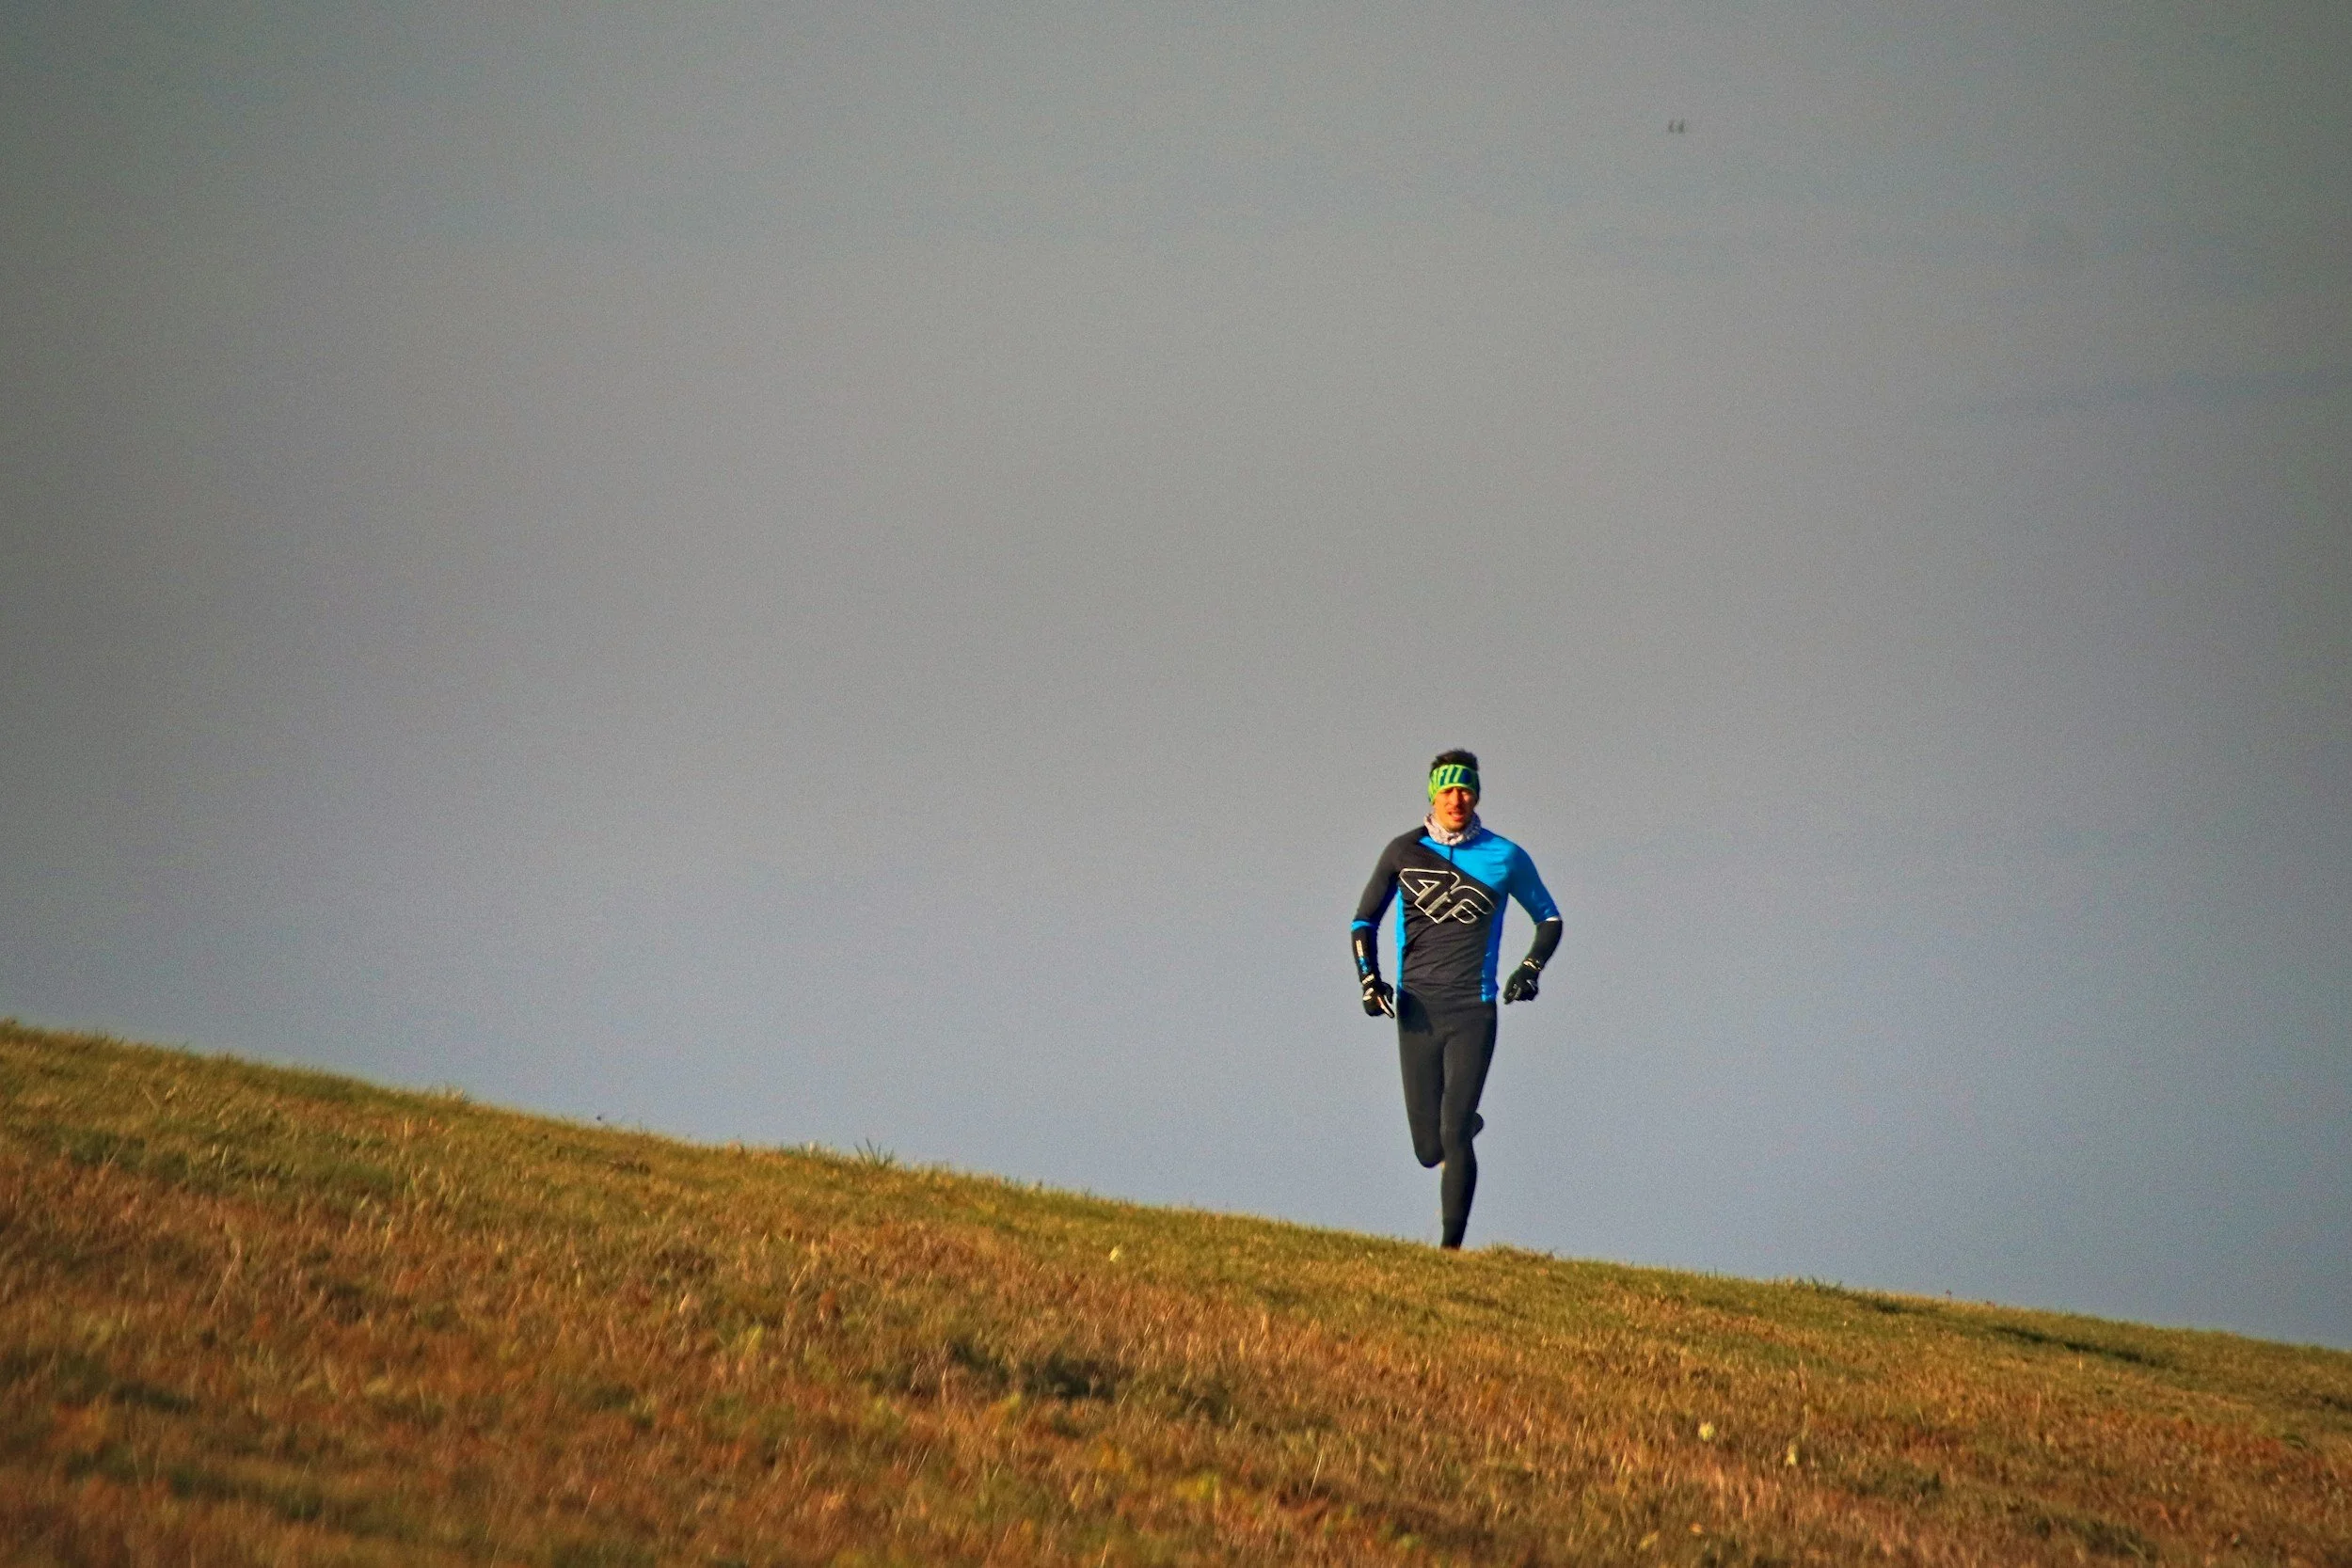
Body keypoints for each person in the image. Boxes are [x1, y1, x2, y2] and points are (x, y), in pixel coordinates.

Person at [1351, 751, 1562, 1249]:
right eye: (1447, 790)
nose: (1456, 799)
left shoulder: (1505, 856)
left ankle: (1450, 1251)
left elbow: (1549, 919)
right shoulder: (1403, 851)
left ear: (1477, 795)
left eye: (1465, 790)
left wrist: (1530, 968)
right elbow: (1363, 921)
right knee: (1429, 1148)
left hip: (1473, 1009)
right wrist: (1369, 981)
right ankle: (1463, 1124)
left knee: (1453, 1133)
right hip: (1417, 1010)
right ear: (1432, 796)